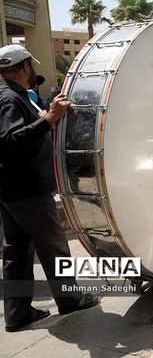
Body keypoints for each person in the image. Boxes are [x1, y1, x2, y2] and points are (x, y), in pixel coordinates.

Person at [0, 44, 98, 332]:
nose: (35, 71)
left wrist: (45, 119)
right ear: (23, 67)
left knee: (17, 253)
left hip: (12, 191)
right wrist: (49, 119)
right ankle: (71, 300)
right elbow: (9, 141)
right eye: (32, 66)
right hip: (29, 189)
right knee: (54, 247)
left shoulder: (12, 96)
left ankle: (17, 313)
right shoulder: (9, 99)